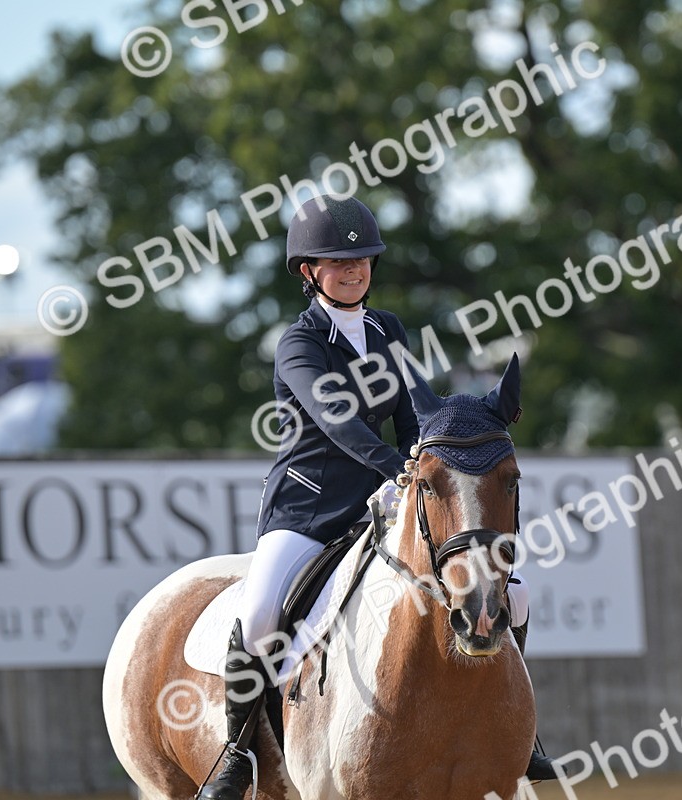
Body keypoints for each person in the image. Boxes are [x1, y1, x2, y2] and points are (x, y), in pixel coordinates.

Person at [201, 195, 556, 800]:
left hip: (386, 503)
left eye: (362, 258)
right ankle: (237, 755)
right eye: (337, 262)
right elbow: (338, 420)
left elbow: (409, 413)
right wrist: (399, 467)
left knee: (512, 596)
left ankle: (524, 738)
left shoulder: (386, 330)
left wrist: (432, 451)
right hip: (309, 509)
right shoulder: (298, 344)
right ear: (308, 270)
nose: (354, 270)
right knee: (260, 615)